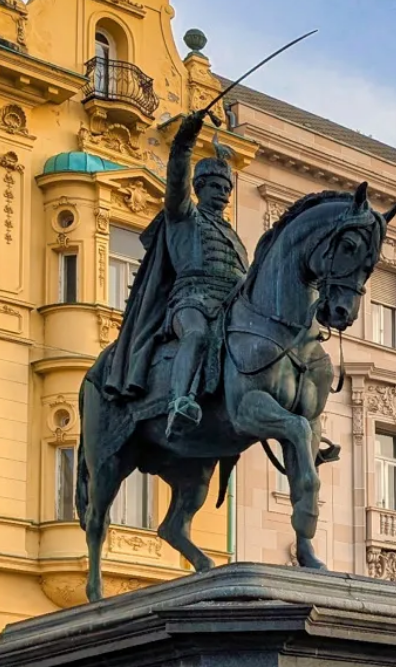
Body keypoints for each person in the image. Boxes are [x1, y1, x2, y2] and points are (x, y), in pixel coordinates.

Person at [102, 111, 248, 432]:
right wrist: (185, 138)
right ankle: (180, 402)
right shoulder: (184, 215)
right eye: (215, 186)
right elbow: (177, 174)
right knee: (195, 335)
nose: (223, 193)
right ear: (199, 187)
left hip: (228, 306)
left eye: (227, 187)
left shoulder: (233, 236)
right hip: (191, 300)